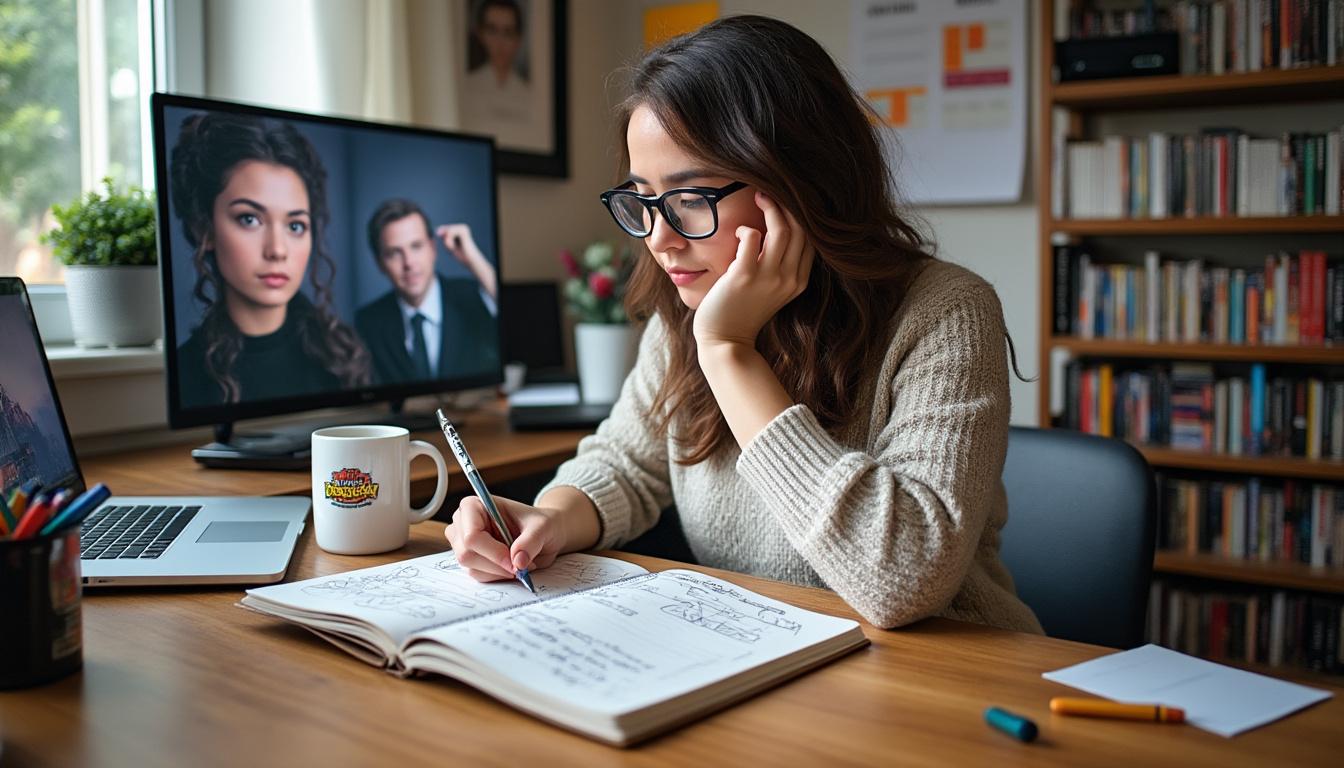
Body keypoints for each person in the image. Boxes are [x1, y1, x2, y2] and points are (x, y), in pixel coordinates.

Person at [445, 15, 1043, 634]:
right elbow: (626, 462)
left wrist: (730, 352)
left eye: (689, 199)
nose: (659, 239)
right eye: (642, 199)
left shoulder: (946, 312)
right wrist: (550, 517)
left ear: (798, 183)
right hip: (767, 661)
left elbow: (903, 577)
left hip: (948, 677)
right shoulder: (687, 307)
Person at [169, 112, 371, 408]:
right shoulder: (186, 375)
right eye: (249, 219)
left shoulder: (345, 354)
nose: (277, 250)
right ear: (205, 228)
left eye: (295, 226)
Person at [356, 198, 499, 385]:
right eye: (394, 253)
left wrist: (473, 260)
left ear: (433, 249)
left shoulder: (474, 296)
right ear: (380, 264)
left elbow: (519, 323)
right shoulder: (368, 322)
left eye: (416, 246)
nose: (409, 263)